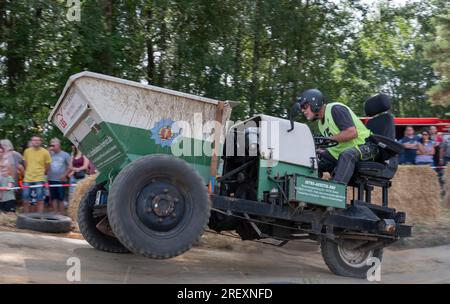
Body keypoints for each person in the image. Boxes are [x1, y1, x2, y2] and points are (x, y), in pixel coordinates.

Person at [297, 89, 375, 184]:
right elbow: (335, 144)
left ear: (315, 103)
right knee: (314, 160)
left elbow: (352, 133)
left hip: (367, 146)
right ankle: (308, 190)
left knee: (347, 155)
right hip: (346, 152)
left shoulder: (335, 109)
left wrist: (328, 140)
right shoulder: (320, 124)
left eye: (305, 106)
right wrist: (320, 151)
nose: (303, 110)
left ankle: (335, 191)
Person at [22, 135, 51, 213]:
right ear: (31, 141)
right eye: (34, 140)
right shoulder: (27, 151)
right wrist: (29, 171)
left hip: (39, 178)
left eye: (38, 140)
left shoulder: (45, 152)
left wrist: (42, 173)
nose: (36, 141)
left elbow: (48, 165)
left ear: (41, 142)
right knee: (25, 199)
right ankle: (26, 217)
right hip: (27, 178)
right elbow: (25, 163)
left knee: (40, 199)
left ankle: (39, 217)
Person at [47, 138, 71, 213]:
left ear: (58, 145)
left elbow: (70, 166)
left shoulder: (65, 154)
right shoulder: (49, 154)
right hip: (51, 179)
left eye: (53, 144)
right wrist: (48, 152)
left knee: (61, 198)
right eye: (51, 144)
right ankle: (55, 213)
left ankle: (62, 215)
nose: (52, 146)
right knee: (53, 198)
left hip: (61, 180)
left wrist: (65, 175)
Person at [0, 145, 16, 213]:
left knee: (9, 210)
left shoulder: (7, 162)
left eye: (1, 152)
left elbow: (10, 176)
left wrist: (10, 185)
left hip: (6, 190)